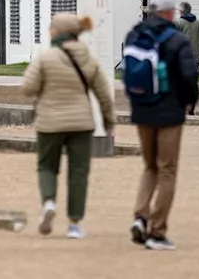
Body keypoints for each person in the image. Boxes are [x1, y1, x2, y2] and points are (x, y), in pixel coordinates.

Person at [21, 13, 116, 240]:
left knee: (47, 166)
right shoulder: (89, 59)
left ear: (57, 32)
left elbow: (28, 88)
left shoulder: (45, 58)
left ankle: (49, 202)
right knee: (79, 172)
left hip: (49, 123)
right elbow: (104, 95)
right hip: (81, 123)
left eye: (51, 28)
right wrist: (108, 122)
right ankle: (74, 223)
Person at [124, 0, 199, 252]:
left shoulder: (134, 35)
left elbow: (127, 73)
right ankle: (157, 231)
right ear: (169, 13)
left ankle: (140, 216)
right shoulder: (177, 39)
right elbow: (189, 76)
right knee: (167, 169)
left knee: (149, 166)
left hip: (142, 109)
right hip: (169, 112)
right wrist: (190, 101)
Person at [174, 2, 199, 114]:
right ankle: (191, 107)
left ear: (181, 11)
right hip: (195, 57)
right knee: (192, 83)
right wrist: (197, 50)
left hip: (181, 58)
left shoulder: (178, 23)